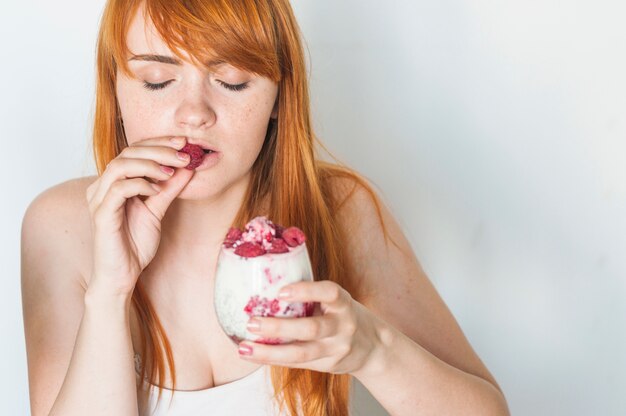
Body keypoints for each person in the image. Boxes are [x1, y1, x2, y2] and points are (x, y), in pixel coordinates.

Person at [20, 1, 510, 415]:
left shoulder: (338, 213)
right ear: (116, 86)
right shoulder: (61, 228)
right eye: (156, 80)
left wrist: (373, 349)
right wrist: (110, 291)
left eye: (231, 81)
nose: (194, 112)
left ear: (280, 94)